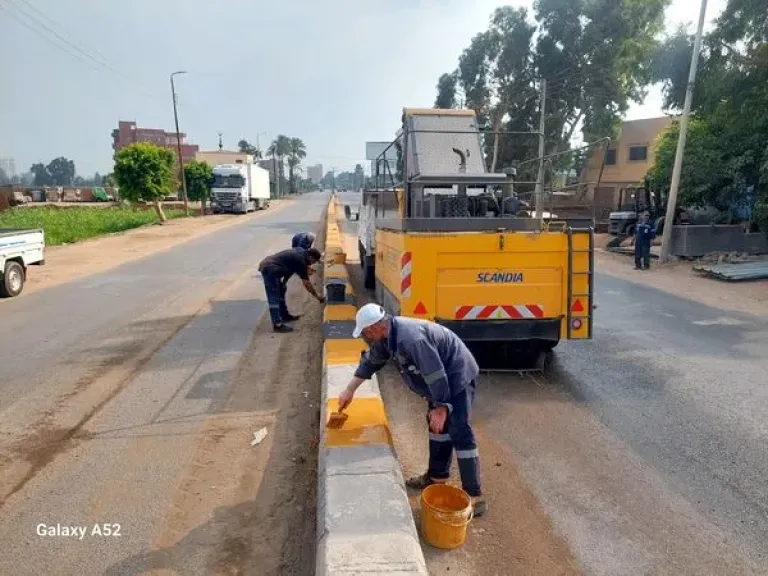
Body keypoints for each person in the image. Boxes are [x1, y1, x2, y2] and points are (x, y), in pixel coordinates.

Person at [338, 303, 486, 517]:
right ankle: (436, 478)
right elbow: (371, 362)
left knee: (459, 430)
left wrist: (441, 407)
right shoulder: (386, 337)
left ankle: (474, 495)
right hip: (438, 382)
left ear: (375, 328)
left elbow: (435, 374)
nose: (365, 337)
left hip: (456, 376)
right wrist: (349, 391)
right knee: (437, 429)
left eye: (365, 332)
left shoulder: (411, 338)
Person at [258, 247, 324, 333]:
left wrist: (284, 282)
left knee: (281, 291)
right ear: (311, 257)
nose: (312, 264)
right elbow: (307, 284)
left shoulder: (300, 252)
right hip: (270, 268)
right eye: (313, 261)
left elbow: (290, 267)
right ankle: (277, 325)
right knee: (273, 296)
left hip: (273, 265)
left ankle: (284, 316)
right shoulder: (301, 262)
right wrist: (317, 297)